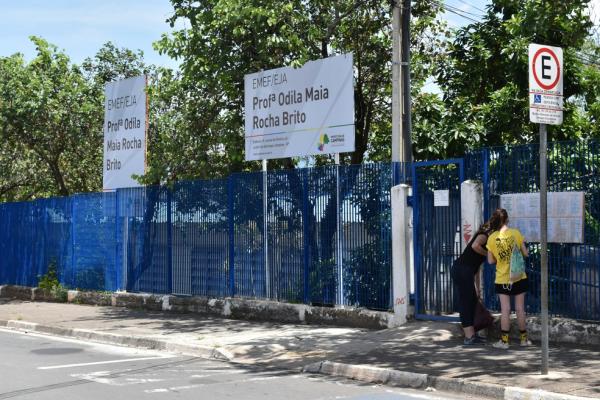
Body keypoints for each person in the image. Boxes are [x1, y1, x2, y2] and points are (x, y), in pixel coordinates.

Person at [486, 208, 530, 349]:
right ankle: (524, 340)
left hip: (502, 279)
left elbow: (490, 261)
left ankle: (504, 341)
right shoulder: (516, 233)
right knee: (520, 309)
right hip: (518, 277)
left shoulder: (492, 238)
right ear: (507, 219)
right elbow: (525, 253)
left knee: (505, 310)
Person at [451, 217, 497, 345]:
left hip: (466, 271)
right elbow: (476, 246)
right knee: (466, 302)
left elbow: (476, 268)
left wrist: (477, 288)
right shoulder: (483, 236)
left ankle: (472, 334)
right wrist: (487, 253)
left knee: (471, 301)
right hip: (462, 270)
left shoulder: (486, 239)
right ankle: (468, 336)